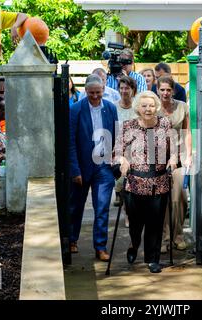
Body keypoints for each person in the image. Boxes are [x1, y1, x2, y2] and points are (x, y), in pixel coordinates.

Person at [113, 91, 178, 273]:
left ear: (156, 107)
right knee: (135, 224)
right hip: (134, 183)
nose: (148, 109)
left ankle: (152, 259)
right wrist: (122, 160)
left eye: (151, 105)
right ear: (138, 108)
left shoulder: (165, 124)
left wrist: (173, 159)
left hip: (159, 181)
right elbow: (117, 151)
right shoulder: (128, 126)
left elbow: (173, 149)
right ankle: (134, 244)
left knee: (155, 224)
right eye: (144, 106)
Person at [68, 74, 118, 262]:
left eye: (98, 92)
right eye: (91, 93)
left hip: (104, 165)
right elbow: (71, 142)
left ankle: (100, 246)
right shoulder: (76, 110)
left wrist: (115, 159)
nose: (95, 96)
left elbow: (117, 134)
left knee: (103, 207)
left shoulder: (111, 108)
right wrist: (75, 170)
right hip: (82, 165)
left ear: (103, 91)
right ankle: (72, 240)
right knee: (75, 207)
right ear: (86, 92)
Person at [156, 76, 192, 253]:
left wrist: (189, 155)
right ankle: (164, 238)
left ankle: (178, 235)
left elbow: (187, 132)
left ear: (173, 90)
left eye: (168, 90)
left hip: (178, 157)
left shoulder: (182, 107)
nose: (165, 93)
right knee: (162, 199)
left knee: (179, 197)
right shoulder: (153, 108)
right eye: (162, 89)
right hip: (159, 159)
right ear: (158, 90)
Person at [113, 76, 138, 227]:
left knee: (135, 184)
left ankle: (131, 212)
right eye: (121, 88)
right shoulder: (113, 107)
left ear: (133, 90)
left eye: (127, 88)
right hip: (119, 150)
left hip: (136, 149)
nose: (124, 91)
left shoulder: (138, 107)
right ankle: (126, 211)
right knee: (122, 182)